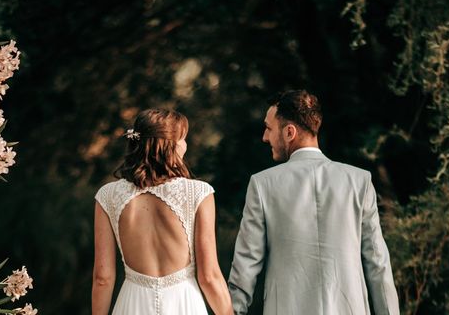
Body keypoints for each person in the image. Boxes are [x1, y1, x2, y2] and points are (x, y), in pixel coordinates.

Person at [228, 90, 400, 314]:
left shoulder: (263, 185)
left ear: (289, 132)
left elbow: (246, 266)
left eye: (269, 129)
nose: (264, 137)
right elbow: (378, 265)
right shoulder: (359, 181)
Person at [92, 108, 233, 315]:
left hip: (132, 304)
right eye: (183, 139)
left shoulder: (107, 195)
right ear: (169, 146)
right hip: (184, 304)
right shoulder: (199, 193)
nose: (185, 145)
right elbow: (209, 277)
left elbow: (102, 278)